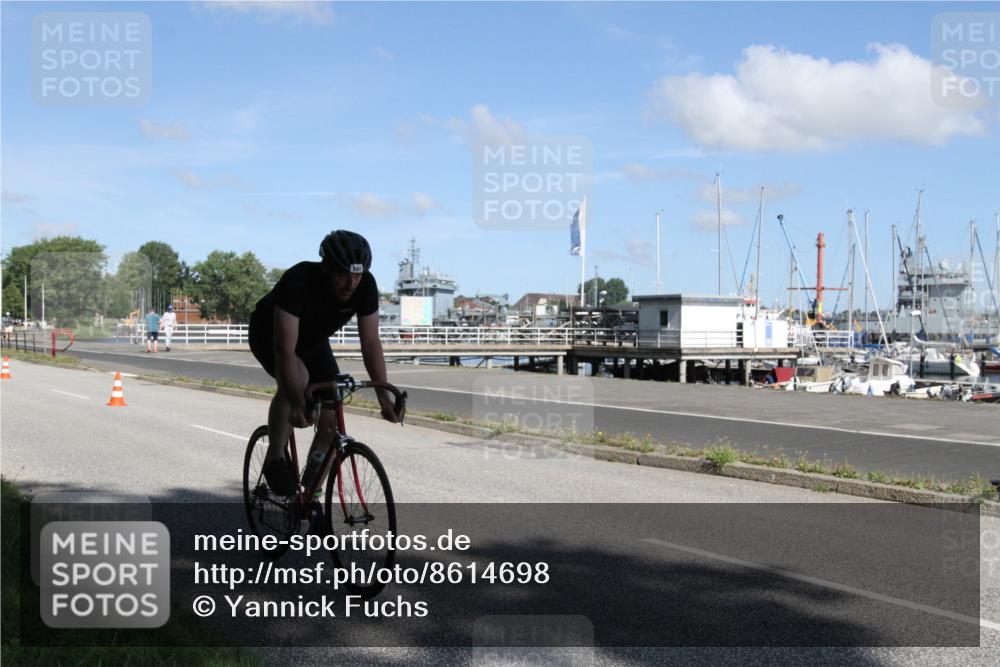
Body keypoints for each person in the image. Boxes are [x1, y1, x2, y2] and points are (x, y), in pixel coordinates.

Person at [248, 230, 398, 496]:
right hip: (269, 334)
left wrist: (384, 396)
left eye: (357, 275)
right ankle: (275, 459)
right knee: (299, 379)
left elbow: (371, 343)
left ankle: (310, 498)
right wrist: (295, 401)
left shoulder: (365, 286)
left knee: (332, 408)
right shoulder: (299, 280)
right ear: (326, 269)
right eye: (342, 275)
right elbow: (284, 350)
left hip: (312, 339)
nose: (350, 284)